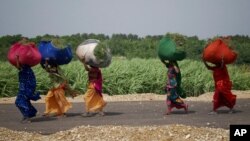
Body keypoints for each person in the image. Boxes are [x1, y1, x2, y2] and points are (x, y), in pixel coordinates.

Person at [15, 55, 41, 123]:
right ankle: (27, 115)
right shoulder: (28, 69)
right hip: (25, 89)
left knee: (19, 102)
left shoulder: (25, 69)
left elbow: (18, 67)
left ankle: (27, 117)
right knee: (24, 102)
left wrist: (17, 58)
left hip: (25, 90)